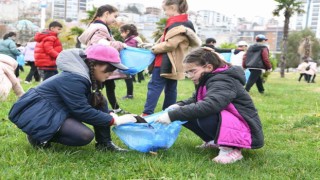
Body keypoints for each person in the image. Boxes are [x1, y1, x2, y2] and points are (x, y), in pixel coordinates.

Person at [8, 44, 137, 151]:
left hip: (55, 108)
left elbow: (94, 103)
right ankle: (38, 135)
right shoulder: (75, 78)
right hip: (37, 113)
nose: (110, 74)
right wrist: (114, 120)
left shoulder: (85, 74)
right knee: (84, 136)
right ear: (95, 64)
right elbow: (82, 111)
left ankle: (105, 144)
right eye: (109, 69)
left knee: (100, 100)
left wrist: (109, 113)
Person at [155, 47, 264, 164]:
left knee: (205, 114)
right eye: (187, 72)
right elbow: (195, 99)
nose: (190, 75)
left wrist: (173, 115)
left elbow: (211, 105)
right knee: (186, 113)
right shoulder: (209, 78)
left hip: (246, 128)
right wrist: (179, 106)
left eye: (193, 71)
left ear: (209, 67)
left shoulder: (223, 81)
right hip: (233, 123)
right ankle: (213, 141)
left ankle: (231, 149)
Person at [142, 0, 201, 116]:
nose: (165, 13)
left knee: (154, 86)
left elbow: (170, 44)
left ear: (173, 8)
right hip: (176, 63)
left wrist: (154, 48)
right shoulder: (185, 23)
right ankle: (168, 113)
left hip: (165, 62)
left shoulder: (178, 24)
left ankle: (147, 114)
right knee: (171, 88)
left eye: (165, 10)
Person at [78, 4, 129, 114]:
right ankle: (98, 110)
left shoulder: (95, 26)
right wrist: (119, 44)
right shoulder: (101, 27)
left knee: (102, 87)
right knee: (100, 88)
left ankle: (105, 109)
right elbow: (100, 42)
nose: (115, 20)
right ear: (106, 14)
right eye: (114, 16)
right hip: (100, 63)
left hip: (96, 63)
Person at [119, 24, 143, 99]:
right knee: (128, 77)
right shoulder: (132, 39)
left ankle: (129, 95)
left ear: (127, 31)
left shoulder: (132, 40)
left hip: (131, 62)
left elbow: (130, 49)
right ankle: (129, 94)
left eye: (122, 32)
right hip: (131, 61)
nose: (121, 34)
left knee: (128, 77)